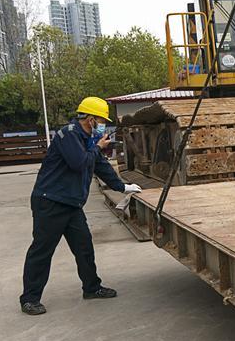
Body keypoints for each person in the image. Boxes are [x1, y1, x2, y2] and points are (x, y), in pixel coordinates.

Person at [19, 96, 142, 315]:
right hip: (50, 202)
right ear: (89, 118)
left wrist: (123, 187)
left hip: (71, 204)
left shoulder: (87, 139)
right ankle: (29, 298)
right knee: (42, 251)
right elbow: (79, 163)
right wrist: (97, 147)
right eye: (101, 119)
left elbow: (100, 166)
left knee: (84, 247)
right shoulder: (69, 135)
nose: (103, 124)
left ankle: (92, 288)